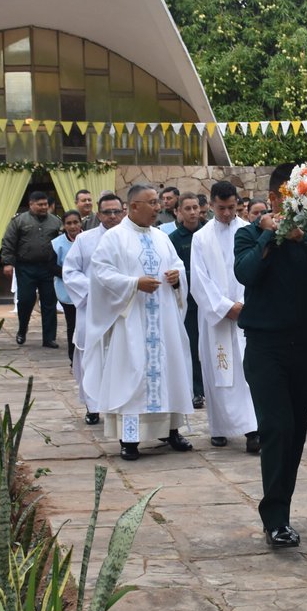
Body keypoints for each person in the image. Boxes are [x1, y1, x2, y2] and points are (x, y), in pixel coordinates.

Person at [234, 164, 307, 548]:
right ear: (276, 197)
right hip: (265, 348)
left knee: (293, 434)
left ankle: (282, 510)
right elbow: (245, 274)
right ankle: (274, 518)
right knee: (276, 429)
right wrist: (272, 236)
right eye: (293, 194)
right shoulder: (248, 235)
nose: (302, 201)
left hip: (303, 345)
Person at [80, 184, 195, 460]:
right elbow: (101, 275)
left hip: (163, 320)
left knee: (169, 372)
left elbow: (177, 264)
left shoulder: (161, 236)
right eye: (152, 203)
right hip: (131, 321)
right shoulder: (114, 238)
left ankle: (171, 429)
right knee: (132, 374)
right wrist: (134, 284)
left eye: (158, 203)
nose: (158, 208)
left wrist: (176, 277)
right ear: (133, 207)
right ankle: (129, 438)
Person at [189, 181, 260, 452]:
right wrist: (223, 307)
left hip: (247, 312)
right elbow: (199, 279)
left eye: (232, 208)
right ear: (211, 204)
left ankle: (253, 429)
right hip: (216, 317)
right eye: (221, 208)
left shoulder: (249, 231)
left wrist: (244, 303)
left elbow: (255, 268)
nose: (227, 213)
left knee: (247, 372)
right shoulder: (201, 237)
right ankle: (219, 427)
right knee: (220, 371)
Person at [63, 193, 125, 424]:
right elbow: (70, 272)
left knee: (120, 357)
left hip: (123, 310)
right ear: (98, 214)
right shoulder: (84, 240)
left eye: (116, 212)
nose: (112, 216)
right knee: (92, 357)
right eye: (107, 212)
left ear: (124, 212)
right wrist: (97, 291)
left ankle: (119, 403)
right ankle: (93, 406)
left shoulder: (131, 238)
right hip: (92, 310)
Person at [0, 191, 62, 348]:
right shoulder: (19, 221)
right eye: (39, 204)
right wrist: (8, 262)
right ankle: (22, 330)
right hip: (26, 267)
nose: (43, 207)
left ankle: (49, 338)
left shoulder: (55, 222)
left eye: (45, 204)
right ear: (31, 204)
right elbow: (8, 241)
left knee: (49, 303)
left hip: (48, 268)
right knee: (26, 300)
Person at [168, 193, 207, 409]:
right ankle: (197, 390)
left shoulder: (207, 233)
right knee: (192, 346)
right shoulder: (173, 239)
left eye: (196, 208)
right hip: (188, 301)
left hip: (209, 302)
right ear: (179, 212)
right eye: (188, 208)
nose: (193, 212)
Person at [52, 210, 83, 365]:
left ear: (81, 223)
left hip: (88, 289)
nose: (73, 226)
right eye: (69, 223)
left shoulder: (88, 239)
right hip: (67, 290)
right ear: (64, 225)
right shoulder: (57, 243)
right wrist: (71, 275)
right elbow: (51, 266)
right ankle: (73, 357)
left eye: (75, 222)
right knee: (73, 324)